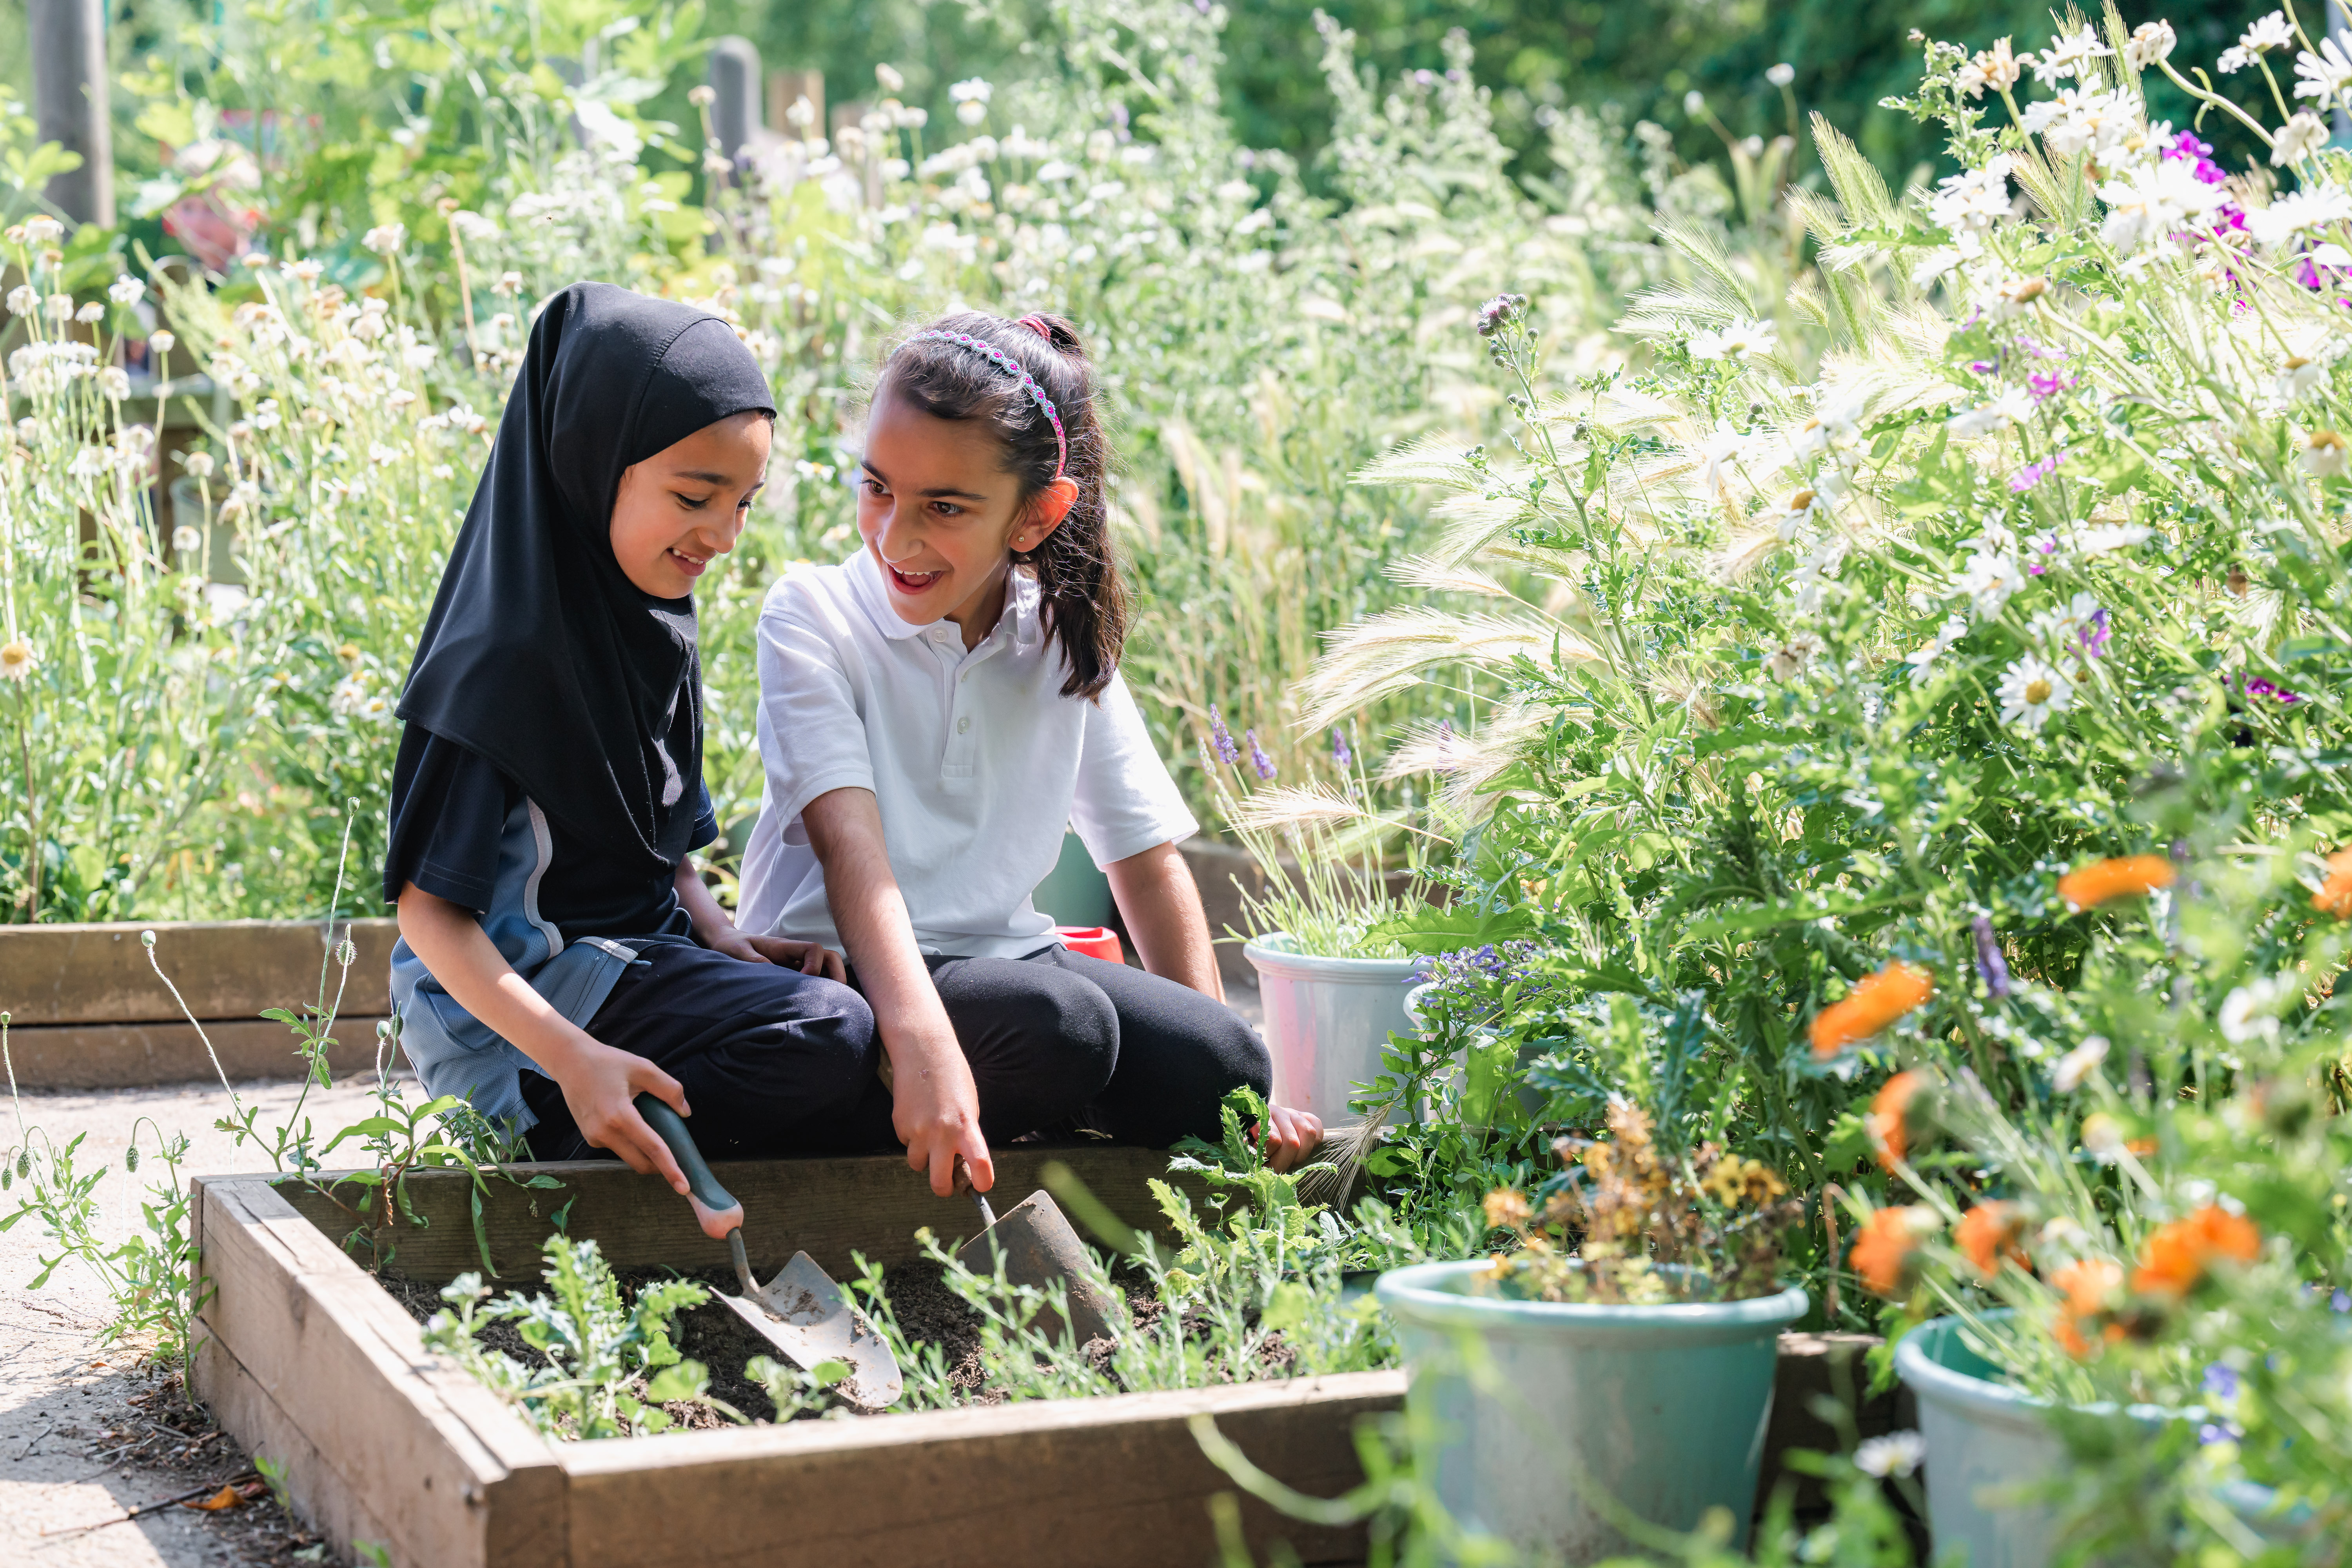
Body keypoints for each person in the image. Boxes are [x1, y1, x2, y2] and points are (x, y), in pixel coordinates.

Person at [735, 310, 1323, 1200]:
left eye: (945, 507)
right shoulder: (812, 614)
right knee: (1063, 1029)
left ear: (1035, 515)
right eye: (878, 488)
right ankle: (888, 1105)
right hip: (849, 976)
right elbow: (854, 853)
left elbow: (1145, 857)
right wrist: (925, 1040)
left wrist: (1240, 1093)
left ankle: (1000, 1095)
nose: (896, 536)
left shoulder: (1057, 631)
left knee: (1229, 1059)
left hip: (1004, 967)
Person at [384, 281, 877, 1197]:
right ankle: (562, 1128)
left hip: (628, 965)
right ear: (589, 458)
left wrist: (725, 937)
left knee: (872, 1033)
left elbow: (661, 849)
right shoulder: (499, 657)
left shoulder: (652, 622)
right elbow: (429, 915)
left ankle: (651, 1124)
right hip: (517, 1011)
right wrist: (572, 1057)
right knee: (827, 1035)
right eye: (696, 495)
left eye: (744, 503)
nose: (724, 535)